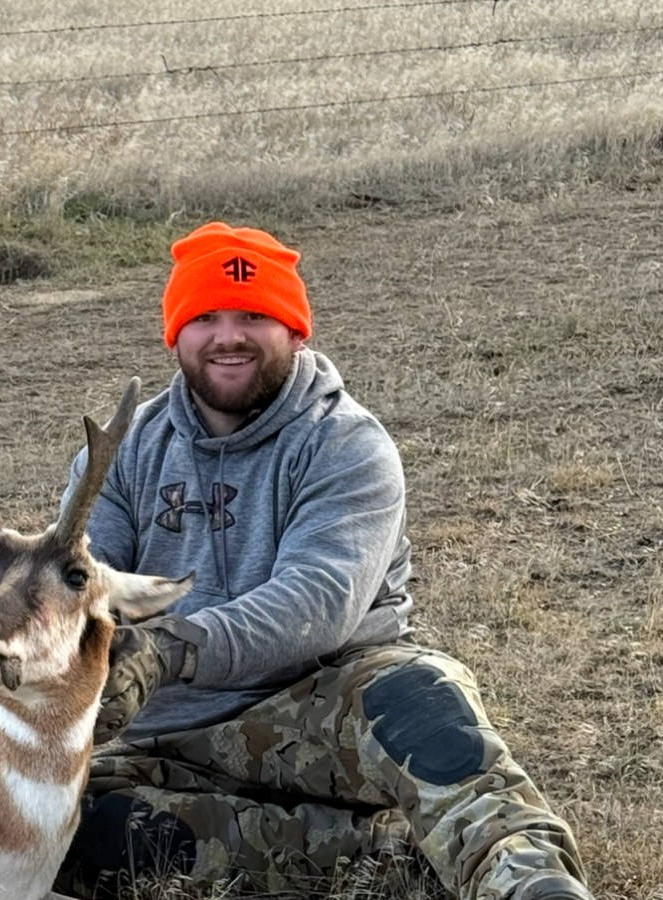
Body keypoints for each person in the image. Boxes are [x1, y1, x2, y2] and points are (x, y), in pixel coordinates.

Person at [52, 222, 594, 900]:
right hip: (173, 741)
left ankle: (528, 879)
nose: (229, 336)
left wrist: (167, 648)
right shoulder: (122, 453)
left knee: (421, 700)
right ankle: (388, 859)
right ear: (175, 333)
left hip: (329, 705)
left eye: (254, 315)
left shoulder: (345, 445)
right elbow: (73, 591)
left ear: (295, 330)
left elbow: (317, 602)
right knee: (63, 829)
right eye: (205, 317)